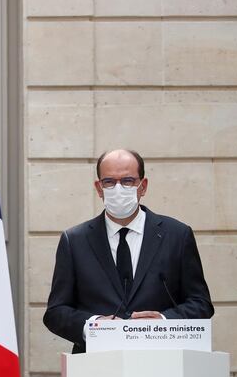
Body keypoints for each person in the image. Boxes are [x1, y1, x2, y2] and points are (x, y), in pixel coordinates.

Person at [43, 149, 214, 353]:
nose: (118, 188)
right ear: (99, 188)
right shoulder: (74, 240)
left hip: (163, 361)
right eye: (109, 182)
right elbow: (55, 312)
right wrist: (94, 325)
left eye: (127, 181)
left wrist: (163, 320)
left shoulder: (177, 235)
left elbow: (201, 304)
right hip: (96, 367)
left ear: (143, 186)